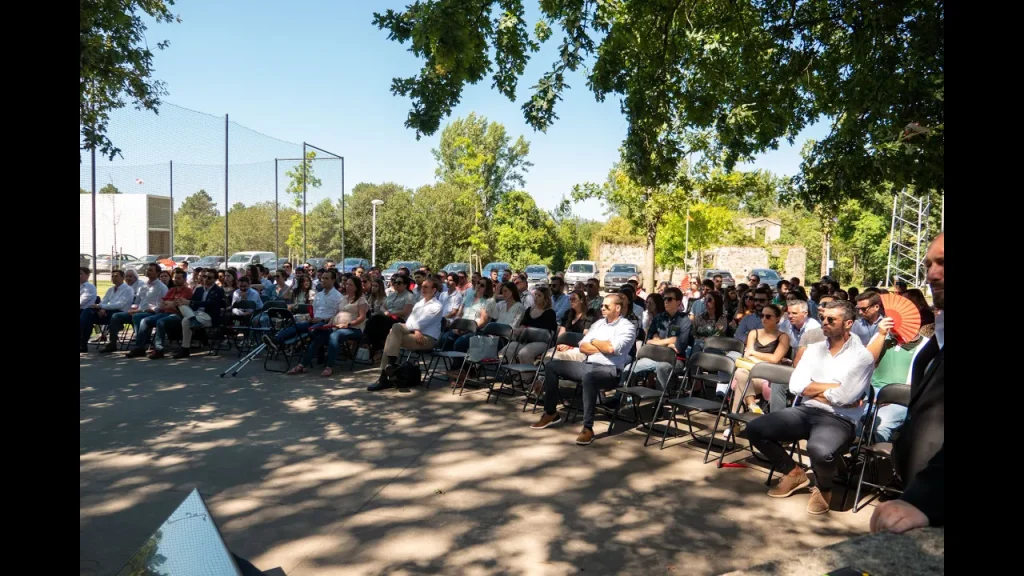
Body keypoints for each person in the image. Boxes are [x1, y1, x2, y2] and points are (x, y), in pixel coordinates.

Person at [746, 300, 874, 515]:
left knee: (819, 450)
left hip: (839, 418)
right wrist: (833, 389)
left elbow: (845, 397)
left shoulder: (862, 356)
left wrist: (820, 390)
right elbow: (796, 386)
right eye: (823, 317)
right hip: (806, 411)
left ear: (849, 323)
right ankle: (794, 472)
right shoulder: (814, 350)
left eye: (831, 319)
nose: (824, 322)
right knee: (755, 429)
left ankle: (824, 488)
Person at [530, 292, 637, 445]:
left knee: (589, 378)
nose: (602, 308)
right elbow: (583, 346)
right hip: (588, 365)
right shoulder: (598, 324)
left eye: (607, 306)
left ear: (618, 308)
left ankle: (588, 428)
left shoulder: (627, 327)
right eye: (602, 305)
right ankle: (551, 413)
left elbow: (612, 348)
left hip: (610, 371)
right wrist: (599, 343)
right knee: (552, 366)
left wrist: (593, 342)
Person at [890, 231, 944, 501]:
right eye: (928, 265)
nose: (932, 274)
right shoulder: (938, 337)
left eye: (943, 262)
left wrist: (922, 502)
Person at [369, 277, 444, 391]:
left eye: (426, 287)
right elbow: (410, 320)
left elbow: (422, 322)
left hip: (426, 339)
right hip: (415, 333)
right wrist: (416, 329)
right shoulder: (419, 303)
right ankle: (390, 368)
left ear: (434, 290)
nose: (422, 289)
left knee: (392, 335)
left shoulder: (437, 306)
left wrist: (416, 329)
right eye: (422, 286)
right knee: (395, 328)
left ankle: (385, 377)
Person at [620, 287, 691, 392]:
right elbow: (648, 341)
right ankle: (622, 399)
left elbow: (679, 347)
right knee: (628, 369)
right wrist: (670, 340)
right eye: (664, 298)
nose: (666, 301)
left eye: (669, 299)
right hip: (655, 356)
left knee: (662, 368)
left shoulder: (685, 321)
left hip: (675, 359)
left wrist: (658, 342)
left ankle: (660, 402)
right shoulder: (659, 318)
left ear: (678, 302)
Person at [728, 304, 791, 416]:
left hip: (768, 377)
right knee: (740, 374)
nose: (763, 319)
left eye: (768, 316)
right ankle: (753, 405)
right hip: (751, 374)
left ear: (777, 318)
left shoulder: (783, 337)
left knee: (740, 381)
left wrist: (754, 354)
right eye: (762, 315)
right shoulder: (754, 333)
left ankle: (734, 423)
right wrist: (763, 358)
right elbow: (748, 355)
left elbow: (775, 359)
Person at [279, 270, 344, 376]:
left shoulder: (339, 297)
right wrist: (310, 317)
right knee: (297, 326)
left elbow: (337, 316)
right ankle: (277, 340)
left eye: (326, 278)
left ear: (333, 280)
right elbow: (314, 311)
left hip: (327, 324)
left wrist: (323, 320)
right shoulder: (318, 295)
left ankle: (302, 365)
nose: (323, 280)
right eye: (322, 278)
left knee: (316, 333)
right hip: (314, 322)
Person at [101, 263, 168, 353]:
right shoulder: (143, 286)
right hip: (139, 311)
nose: (148, 271)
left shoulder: (161, 287)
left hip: (151, 312)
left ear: (158, 273)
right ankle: (112, 343)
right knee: (116, 316)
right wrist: (133, 309)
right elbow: (136, 302)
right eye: (147, 269)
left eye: (151, 270)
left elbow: (160, 307)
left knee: (137, 316)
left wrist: (140, 310)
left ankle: (139, 346)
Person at [130, 268, 194, 359]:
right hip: (166, 312)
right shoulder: (171, 290)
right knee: (145, 320)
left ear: (184, 279)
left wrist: (171, 304)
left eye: (179, 278)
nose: (176, 280)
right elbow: (162, 304)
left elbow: (179, 305)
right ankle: (139, 348)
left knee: (161, 322)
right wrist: (172, 304)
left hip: (179, 315)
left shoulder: (187, 291)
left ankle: (159, 349)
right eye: (175, 278)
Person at [320, 276, 369, 377]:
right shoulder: (343, 298)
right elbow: (336, 313)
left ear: (356, 287)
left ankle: (329, 366)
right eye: (346, 284)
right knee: (319, 333)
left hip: (355, 329)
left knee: (335, 336)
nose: (347, 286)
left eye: (350, 285)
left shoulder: (361, 300)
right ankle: (303, 364)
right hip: (337, 326)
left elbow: (362, 317)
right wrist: (329, 323)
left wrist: (348, 324)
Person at [171, 269, 225, 358]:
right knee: (181, 303)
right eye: (204, 276)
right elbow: (193, 304)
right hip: (196, 313)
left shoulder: (218, 290)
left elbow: (210, 304)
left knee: (185, 320)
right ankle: (193, 321)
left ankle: (185, 349)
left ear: (215, 279)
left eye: (209, 277)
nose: (206, 279)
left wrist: (189, 302)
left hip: (208, 315)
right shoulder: (199, 289)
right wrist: (180, 303)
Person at [80, 269, 134, 352]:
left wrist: (102, 307)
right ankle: (83, 345)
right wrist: (101, 309)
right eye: (112, 276)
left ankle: (112, 344)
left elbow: (120, 304)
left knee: (89, 313)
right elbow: (104, 301)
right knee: (89, 312)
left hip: (121, 313)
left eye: (116, 276)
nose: (113, 278)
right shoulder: (110, 289)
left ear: (122, 277)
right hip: (108, 312)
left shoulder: (128, 289)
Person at [502, 286, 558, 365]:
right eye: (535, 294)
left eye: (539, 296)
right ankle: (514, 373)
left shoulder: (550, 313)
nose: (536, 297)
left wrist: (526, 330)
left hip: (541, 341)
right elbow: (523, 324)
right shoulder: (529, 310)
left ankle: (527, 376)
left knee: (524, 354)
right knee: (507, 351)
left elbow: (547, 332)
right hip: (526, 339)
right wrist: (517, 331)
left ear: (546, 298)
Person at [364, 275, 417, 353]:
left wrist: (391, 313)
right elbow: (383, 307)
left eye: (399, 283)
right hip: (387, 317)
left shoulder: (409, 296)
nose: (396, 284)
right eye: (395, 282)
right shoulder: (392, 294)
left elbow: (406, 311)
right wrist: (386, 312)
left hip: (400, 321)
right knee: (372, 321)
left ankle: (375, 348)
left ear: (405, 284)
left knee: (375, 321)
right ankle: (373, 346)